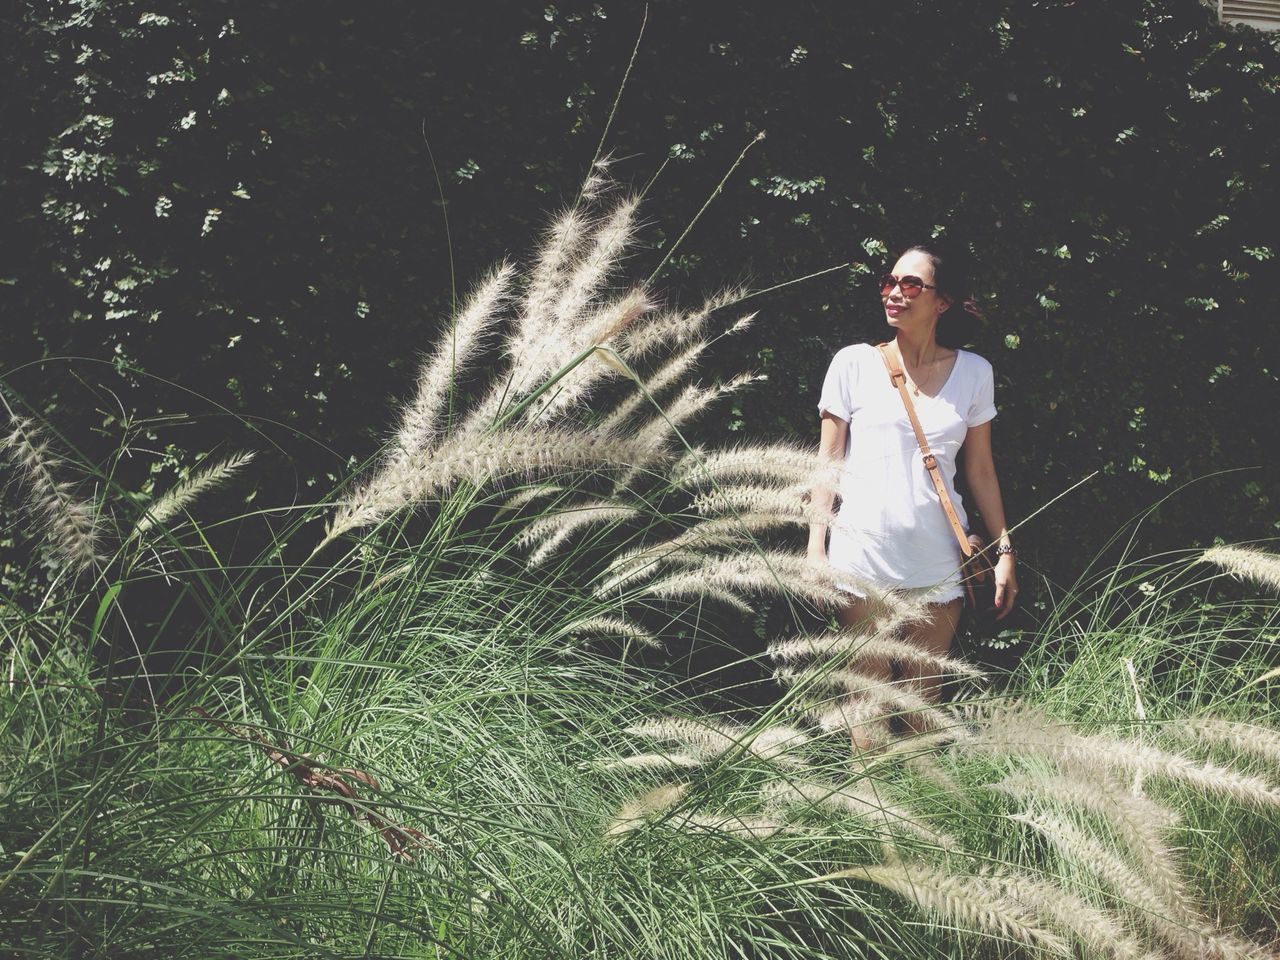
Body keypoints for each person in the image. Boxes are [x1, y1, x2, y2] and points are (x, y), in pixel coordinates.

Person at [808, 243, 1017, 747]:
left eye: (910, 284)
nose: (894, 292)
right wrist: (816, 546)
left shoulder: (974, 373)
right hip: (861, 553)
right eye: (889, 281)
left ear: (941, 301)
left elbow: (981, 470)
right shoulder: (853, 363)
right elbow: (826, 463)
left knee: (925, 703)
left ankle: (921, 814)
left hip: (938, 557)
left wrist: (1006, 548)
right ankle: (873, 819)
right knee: (868, 700)